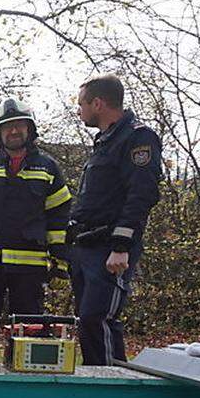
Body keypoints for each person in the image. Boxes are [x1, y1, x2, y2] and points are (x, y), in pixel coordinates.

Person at [0, 98, 72, 361]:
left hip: (29, 265)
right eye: (7, 127)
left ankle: (26, 379)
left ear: (29, 129)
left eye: (19, 125)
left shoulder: (48, 168)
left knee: (29, 327)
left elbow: (59, 215)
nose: (13, 131)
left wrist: (60, 261)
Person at [69, 74, 161, 365]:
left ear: (98, 103)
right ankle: (96, 383)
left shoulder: (137, 137)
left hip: (110, 248)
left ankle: (111, 384)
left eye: (81, 104)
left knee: (99, 319)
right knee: (87, 320)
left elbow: (141, 194)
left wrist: (121, 244)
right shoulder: (105, 141)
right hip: (87, 246)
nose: (79, 110)